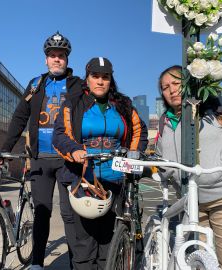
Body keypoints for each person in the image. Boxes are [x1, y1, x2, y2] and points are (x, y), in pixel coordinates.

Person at [155, 65, 222, 270]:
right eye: (165, 87)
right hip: (192, 203)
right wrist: (161, 170)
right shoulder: (165, 122)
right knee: (199, 261)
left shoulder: (216, 103)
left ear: (189, 83)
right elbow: (164, 161)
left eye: (177, 83)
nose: (171, 90)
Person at [52, 57, 148, 269]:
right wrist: (74, 151)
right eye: (95, 76)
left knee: (109, 243)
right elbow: (59, 135)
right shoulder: (73, 103)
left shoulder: (123, 105)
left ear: (111, 80)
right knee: (84, 245)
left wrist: (134, 151)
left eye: (105, 77)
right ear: (87, 78)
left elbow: (140, 132)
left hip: (116, 181)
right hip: (83, 179)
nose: (100, 81)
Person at [0, 31, 82, 269]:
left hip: (68, 160)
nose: (57, 59)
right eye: (52, 55)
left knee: (70, 214)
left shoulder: (78, 85)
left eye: (61, 56)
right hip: (40, 159)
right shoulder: (35, 85)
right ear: (46, 59)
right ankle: (36, 262)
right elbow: (19, 118)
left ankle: (77, 263)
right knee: (42, 213)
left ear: (67, 59)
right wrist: (5, 148)